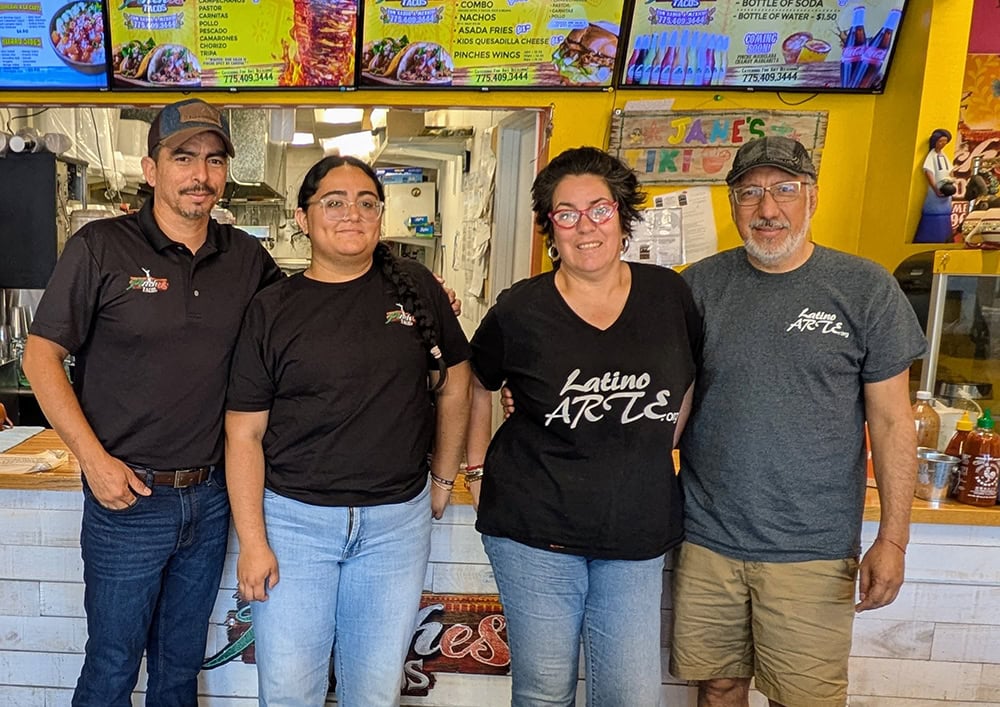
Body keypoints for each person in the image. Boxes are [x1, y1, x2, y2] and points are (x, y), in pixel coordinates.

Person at [22, 98, 284, 706]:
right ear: (151, 168)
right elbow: (40, 358)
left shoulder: (246, 259)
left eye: (214, 160)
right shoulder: (100, 246)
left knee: (178, 670)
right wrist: (94, 462)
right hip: (127, 499)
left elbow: (308, 319)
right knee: (112, 667)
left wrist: (410, 292)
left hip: (211, 498)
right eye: (183, 158)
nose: (201, 174)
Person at [670, 136, 927, 706]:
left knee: (804, 699)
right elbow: (672, 401)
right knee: (717, 686)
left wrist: (893, 539)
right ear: (732, 204)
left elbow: (892, 422)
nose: (768, 208)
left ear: (812, 197)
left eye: (785, 189)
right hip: (707, 538)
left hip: (814, 547)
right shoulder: (698, 286)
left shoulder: (865, 288)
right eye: (750, 193)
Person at [224, 155, 472, 707]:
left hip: (394, 527)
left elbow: (456, 381)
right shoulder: (272, 309)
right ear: (303, 217)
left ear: (381, 215)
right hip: (294, 525)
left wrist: (443, 477)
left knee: (375, 692)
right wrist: (254, 542)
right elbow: (243, 434)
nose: (351, 214)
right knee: (289, 693)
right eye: (333, 202)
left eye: (366, 202)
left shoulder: (415, 289)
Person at [466, 146, 701, 706]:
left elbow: (689, 375)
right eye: (566, 214)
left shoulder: (669, 295)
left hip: (635, 526)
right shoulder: (519, 310)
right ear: (550, 227)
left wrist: (655, 442)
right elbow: (476, 382)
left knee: (629, 696)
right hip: (534, 527)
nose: (585, 226)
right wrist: (474, 470)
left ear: (622, 215)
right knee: (545, 692)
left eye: (599, 209)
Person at [914, 128, 955, 243]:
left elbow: (950, 170)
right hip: (936, 191)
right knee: (934, 212)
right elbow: (929, 172)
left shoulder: (944, 156)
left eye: (945, 141)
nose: (943, 144)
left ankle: (946, 237)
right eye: (941, 141)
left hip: (946, 190)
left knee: (945, 212)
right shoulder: (931, 156)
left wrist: (952, 180)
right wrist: (935, 188)